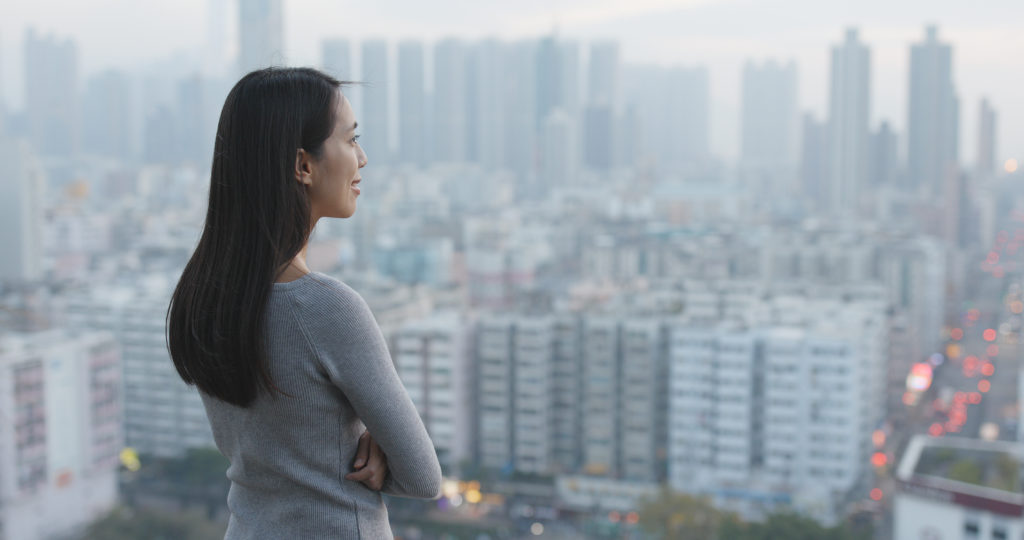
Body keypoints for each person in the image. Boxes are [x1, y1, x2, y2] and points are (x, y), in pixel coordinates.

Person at [166, 67, 442, 539]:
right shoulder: (326, 308)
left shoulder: (205, 297)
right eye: (351, 140)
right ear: (303, 165)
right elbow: (423, 478)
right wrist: (373, 450)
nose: (363, 158)